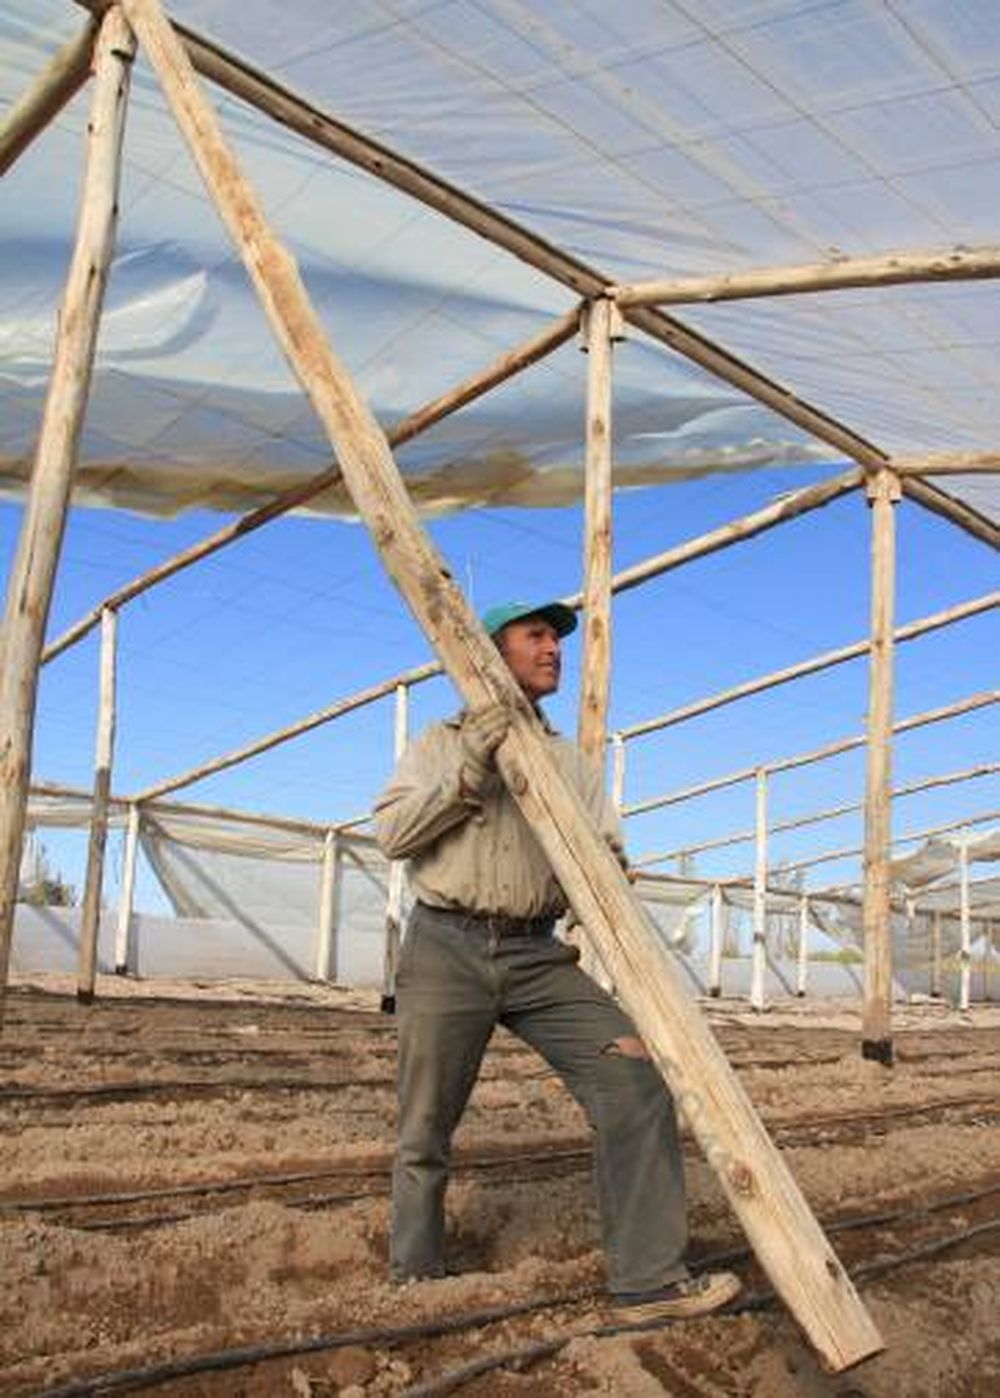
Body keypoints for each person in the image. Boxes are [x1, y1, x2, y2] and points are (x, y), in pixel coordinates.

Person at [374, 599, 740, 1321]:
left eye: (557, 639)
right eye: (535, 636)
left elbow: (605, 850)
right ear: (489, 653)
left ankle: (648, 1282)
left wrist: (610, 872)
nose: (553, 650)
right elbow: (393, 834)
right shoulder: (440, 744)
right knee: (425, 1125)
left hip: (538, 955)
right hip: (447, 944)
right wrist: (472, 768)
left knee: (635, 1081)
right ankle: (413, 1280)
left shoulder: (570, 761)